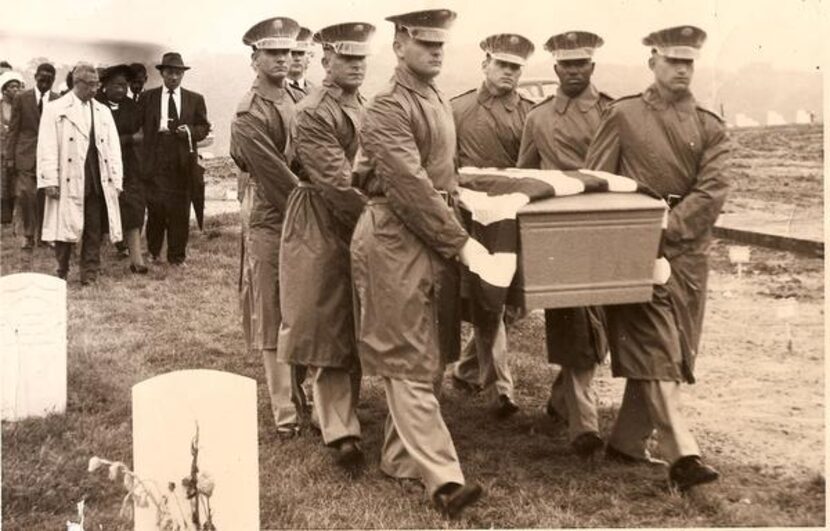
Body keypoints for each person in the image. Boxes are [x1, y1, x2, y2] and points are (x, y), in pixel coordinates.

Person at [351, 8, 485, 517]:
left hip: (426, 235)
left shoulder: (434, 100)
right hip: (393, 237)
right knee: (405, 355)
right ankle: (444, 480)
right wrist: (461, 243)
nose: (436, 51)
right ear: (400, 43)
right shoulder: (386, 106)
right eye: (426, 43)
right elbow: (408, 185)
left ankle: (399, 457)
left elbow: (442, 173)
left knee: (427, 351)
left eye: (441, 45)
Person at [585, 25, 727, 491]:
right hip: (634, 249)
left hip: (689, 257)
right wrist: (634, 230)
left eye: (689, 62)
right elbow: (597, 182)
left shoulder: (710, 124)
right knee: (658, 347)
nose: (682, 69)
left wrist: (672, 225)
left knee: (676, 350)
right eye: (672, 61)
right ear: (653, 62)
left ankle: (626, 443)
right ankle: (683, 456)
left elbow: (713, 189)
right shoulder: (622, 115)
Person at [278, 21, 375, 471]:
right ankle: (340, 431)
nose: (356, 66)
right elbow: (337, 182)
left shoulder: (366, 104)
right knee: (327, 317)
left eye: (361, 59)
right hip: (321, 217)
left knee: (353, 314)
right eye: (347, 58)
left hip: (357, 215)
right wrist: (385, 219)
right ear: (326, 61)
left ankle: (336, 413)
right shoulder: (314, 111)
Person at [517, 31, 613, 458]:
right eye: (566, 65)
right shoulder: (537, 119)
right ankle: (584, 427)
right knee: (574, 324)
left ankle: (561, 401)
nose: (574, 71)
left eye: (582, 64)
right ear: (554, 68)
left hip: (608, 227)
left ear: (593, 67)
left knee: (603, 324)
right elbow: (522, 175)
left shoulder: (613, 112)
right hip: (559, 232)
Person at [448, 33, 535, 417]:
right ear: (485, 63)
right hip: (472, 220)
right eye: (502, 64)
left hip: (513, 218)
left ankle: (468, 369)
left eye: (516, 67)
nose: (509, 73)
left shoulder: (531, 114)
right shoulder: (458, 109)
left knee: (509, 307)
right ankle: (501, 389)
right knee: (489, 300)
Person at [230, 17, 307, 438]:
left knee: (300, 305)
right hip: (272, 216)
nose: (282, 59)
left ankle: (301, 392)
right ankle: (285, 410)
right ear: (254, 58)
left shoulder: (295, 98)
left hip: (299, 211)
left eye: (287, 52)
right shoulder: (249, 110)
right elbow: (277, 177)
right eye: (273, 53)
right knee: (273, 310)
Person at [38, 62, 123, 284]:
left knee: (93, 228)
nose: (96, 89)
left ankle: (90, 274)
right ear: (78, 83)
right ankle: (62, 269)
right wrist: (50, 179)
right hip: (68, 177)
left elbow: (113, 148)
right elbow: (47, 146)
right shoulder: (56, 109)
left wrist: (116, 178)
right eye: (92, 85)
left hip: (96, 178)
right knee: (66, 228)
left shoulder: (102, 111)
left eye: (98, 84)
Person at [138, 52, 210, 266]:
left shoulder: (194, 99)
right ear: (162, 73)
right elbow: (138, 125)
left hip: (182, 162)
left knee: (180, 209)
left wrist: (189, 131)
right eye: (169, 72)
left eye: (178, 73)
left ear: (182, 75)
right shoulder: (147, 98)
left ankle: (177, 257)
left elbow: (204, 127)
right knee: (156, 208)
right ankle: (153, 252)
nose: (174, 77)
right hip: (156, 159)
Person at [97, 64, 148, 274]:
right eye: (117, 85)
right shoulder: (95, 106)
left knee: (134, 208)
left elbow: (141, 134)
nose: (121, 90)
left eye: (124, 85)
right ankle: (94, 261)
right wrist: (129, 139)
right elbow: (99, 139)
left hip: (129, 167)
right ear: (105, 85)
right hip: (100, 166)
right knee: (98, 211)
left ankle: (137, 260)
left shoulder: (132, 107)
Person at [7, 62, 59, 249]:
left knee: (45, 196)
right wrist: (10, 157)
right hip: (25, 154)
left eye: (49, 79)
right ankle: (28, 235)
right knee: (27, 195)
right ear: (35, 77)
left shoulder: (57, 99)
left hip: (48, 156)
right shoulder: (21, 98)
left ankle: (44, 235)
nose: (45, 83)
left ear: (54, 80)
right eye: (42, 78)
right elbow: (13, 129)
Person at [0, 71, 24, 226]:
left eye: (17, 86)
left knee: (17, 184)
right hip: (1, 149)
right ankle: (4, 218)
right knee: (3, 184)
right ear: (4, 90)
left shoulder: (22, 105)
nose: (15, 89)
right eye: (11, 87)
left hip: (17, 149)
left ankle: (16, 217)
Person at [286, 26, 315, 100]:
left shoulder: (315, 91)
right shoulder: (272, 90)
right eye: (292, 53)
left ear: (308, 57)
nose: (297, 58)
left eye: (301, 53)